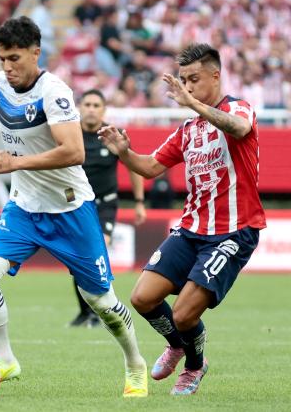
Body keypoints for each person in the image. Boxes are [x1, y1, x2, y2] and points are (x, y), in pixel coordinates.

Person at [0, 16, 148, 397]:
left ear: (36, 53)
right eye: (1, 58)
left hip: (70, 210)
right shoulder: (2, 82)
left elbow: (74, 151)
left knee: (101, 302)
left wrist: (13, 163)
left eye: (14, 58)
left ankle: (135, 364)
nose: (7, 67)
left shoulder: (55, 92)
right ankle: (5, 359)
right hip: (23, 210)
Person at [98, 43, 266, 395]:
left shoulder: (239, 108)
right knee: (142, 298)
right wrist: (123, 152)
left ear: (215, 75)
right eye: (183, 81)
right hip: (191, 229)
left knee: (185, 314)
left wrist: (193, 104)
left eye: (194, 80)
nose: (187, 87)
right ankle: (177, 344)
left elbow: (237, 128)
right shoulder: (188, 130)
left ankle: (193, 366)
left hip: (234, 232)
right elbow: (149, 167)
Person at [68, 89, 147, 328]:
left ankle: (100, 310)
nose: (91, 109)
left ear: (104, 110)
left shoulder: (113, 135)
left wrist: (139, 202)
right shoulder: (70, 134)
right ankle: (85, 311)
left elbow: (134, 166)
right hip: (77, 204)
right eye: (87, 104)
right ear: (80, 107)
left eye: (96, 105)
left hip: (105, 204)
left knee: (95, 251)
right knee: (76, 261)